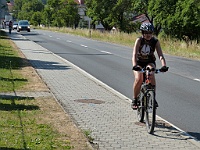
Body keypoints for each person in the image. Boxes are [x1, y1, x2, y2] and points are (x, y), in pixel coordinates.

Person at [131, 22, 168, 110]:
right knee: (138, 79)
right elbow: (134, 54)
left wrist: (164, 65)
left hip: (149, 61)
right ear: (142, 33)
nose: (148, 35)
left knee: (151, 73)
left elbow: (160, 55)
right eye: (146, 33)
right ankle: (135, 99)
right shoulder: (139, 40)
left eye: (150, 33)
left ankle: (153, 97)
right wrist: (135, 65)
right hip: (139, 62)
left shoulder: (155, 41)